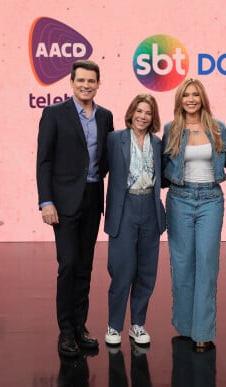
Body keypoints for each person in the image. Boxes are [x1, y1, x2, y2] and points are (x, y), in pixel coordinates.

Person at [36, 60, 114, 357]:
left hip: (93, 200)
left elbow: (108, 160)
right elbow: (43, 161)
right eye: (80, 80)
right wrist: (46, 202)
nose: (86, 85)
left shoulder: (105, 117)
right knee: (68, 265)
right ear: (71, 82)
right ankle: (65, 332)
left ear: (98, 84)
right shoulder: (54, 114)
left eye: (91, 81)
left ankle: (81, 327)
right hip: (63, 203)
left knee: (85, 267)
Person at [162, 78, 226, 352]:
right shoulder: (171, 129)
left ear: (202, 98)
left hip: (211, 200)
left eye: (195, 94)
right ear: (180, 99)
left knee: (207, 265)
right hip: (180, 199)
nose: (191, 99)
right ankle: (186, 326)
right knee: (182, 265)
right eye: (186, 95)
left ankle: (203, 331)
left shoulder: (218, 128)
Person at [104, 94, 166, 347]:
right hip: (125, 207)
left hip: (150, 206)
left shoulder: (158, 143)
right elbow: (99, 170)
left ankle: (137, 325)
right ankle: (114, 325)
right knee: (122, 269)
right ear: (131, 113)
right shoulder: (114, 139)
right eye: (139, 111)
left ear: (153, 117)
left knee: (147, 271)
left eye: (148, 112)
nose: (143, 116)